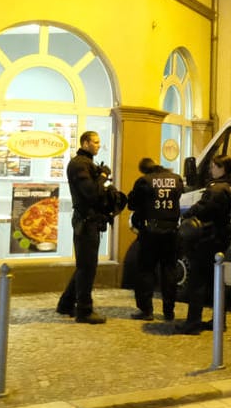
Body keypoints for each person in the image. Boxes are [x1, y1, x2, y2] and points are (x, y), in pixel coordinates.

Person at [56, 131, 114, 324]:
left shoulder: (86, 163)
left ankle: (66, 303)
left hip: (89, 220)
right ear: (85, 142)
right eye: (95, 142)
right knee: (87, 267)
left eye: (99, 142)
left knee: (85, 265)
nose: (98, 145)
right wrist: (103, 176)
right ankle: (84, 310)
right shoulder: (80, 164)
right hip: (86, 221)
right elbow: (91, 193)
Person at [177, 153, 231, 334]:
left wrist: (187, 214)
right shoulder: (229, 186)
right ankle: (219, 320)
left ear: (222, 169)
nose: (211, 169)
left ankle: (193, 322)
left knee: (197, 280)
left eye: (213, 166)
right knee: (214, 281)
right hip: (220, 236)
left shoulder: (217, 189)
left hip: (209, 238)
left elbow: (203, 209)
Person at [128, 157, 184, 321]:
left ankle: (146, 310)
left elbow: (132, 203)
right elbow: (179, 196)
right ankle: (169, 311)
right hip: (172, 230)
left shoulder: (144, 181)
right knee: (169, 270)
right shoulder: (176, 179)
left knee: (146, 270)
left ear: (144, 170)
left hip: (150, 231)